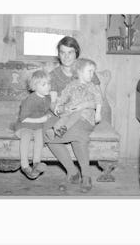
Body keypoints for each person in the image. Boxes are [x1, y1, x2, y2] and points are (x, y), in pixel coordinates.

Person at [43, 36, 101, 193]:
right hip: (65, 114)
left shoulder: (86, 70)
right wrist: (59, 110)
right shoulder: (54, 74)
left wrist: (82, 105)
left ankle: (86, 175)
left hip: (85, 114)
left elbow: (98, 100)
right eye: (62, 52)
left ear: (77, 53)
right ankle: (72, 172)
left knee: (77, 134)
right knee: (47, 133)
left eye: (70, 52)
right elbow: (54, 101)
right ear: (58, 54)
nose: (66, 56)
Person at [46, 58, 102, 139]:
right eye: (89, 71)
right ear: (80, 72)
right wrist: (59, 104)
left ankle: (63, 129)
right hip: (72, 108)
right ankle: (54, 129)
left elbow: (98, 98)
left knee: (77, 113)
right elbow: (65, 94)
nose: (92, 74)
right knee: (66, 114)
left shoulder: (91, 86)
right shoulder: (72, 84)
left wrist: (98, 113)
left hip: (85, 113)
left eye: (93, 72)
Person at [14, 70, 52, 180]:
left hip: (38, 126)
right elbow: (23, 118)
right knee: (25, 139)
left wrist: (49, 115)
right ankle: (24, 165)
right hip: (25, 125)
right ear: (34, 86)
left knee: (40, 140)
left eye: (49, 83)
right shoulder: (29, 100)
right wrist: (41, 119)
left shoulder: (47, 98)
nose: (48, 87)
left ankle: (36, 163)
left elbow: (46, 110)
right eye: (44, 84)